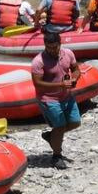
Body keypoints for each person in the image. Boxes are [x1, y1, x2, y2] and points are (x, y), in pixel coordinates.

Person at [31, 32, 80, 170]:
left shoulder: (68, 53)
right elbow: (37, 83)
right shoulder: (38, 61)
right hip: (49, 98)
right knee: (60, 126)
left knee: (75, 122)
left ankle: (51, 136)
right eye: (49, 47)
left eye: (55, 47)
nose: (52, 50)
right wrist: (60, 85)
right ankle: (56, 156)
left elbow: (76, 69)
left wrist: (75, 79)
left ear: (60, 44)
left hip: (67, 96)